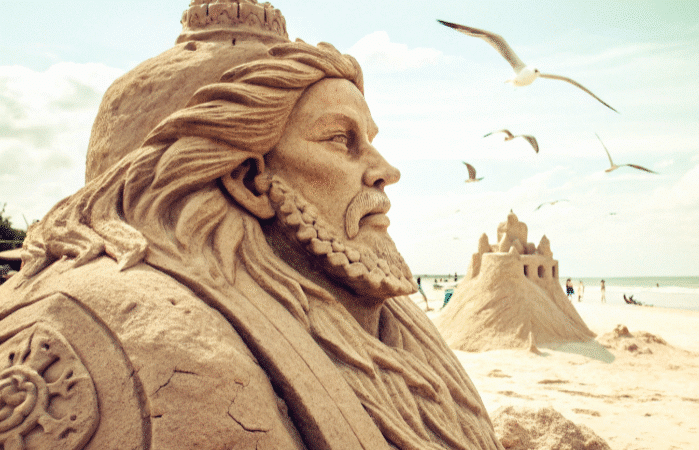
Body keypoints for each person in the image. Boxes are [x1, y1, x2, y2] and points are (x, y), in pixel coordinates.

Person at [0, 3, 500, 448]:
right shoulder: (168, 349)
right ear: (247, 180)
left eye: (369, 139)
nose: (385, 170)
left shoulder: (394, 324)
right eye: (339, 139)